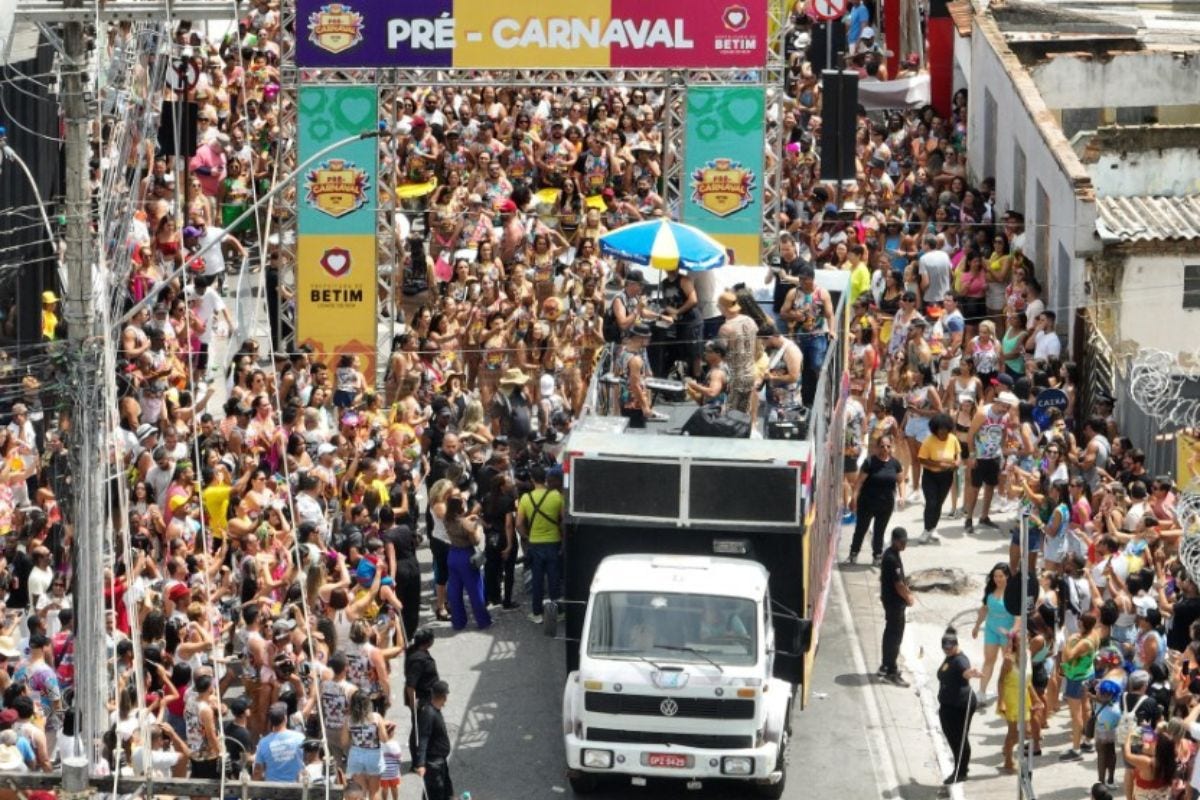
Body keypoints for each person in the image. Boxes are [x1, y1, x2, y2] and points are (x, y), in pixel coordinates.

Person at [517, 464, 563, 624]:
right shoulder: (556, 496)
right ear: (546, 478)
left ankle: (537, 613)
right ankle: (558, 612)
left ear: (532, 479)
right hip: (553, 542)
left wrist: (526, 536)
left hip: (535, 544)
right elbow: (563, 521)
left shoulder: (525, 498)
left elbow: (519, 524)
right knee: (554, 579)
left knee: (537, 580)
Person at [847, 436, 903, 566]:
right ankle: (854, 553)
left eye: (888, 446)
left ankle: (877, 555)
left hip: (886, 504)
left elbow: (901, 481)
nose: (885, 449)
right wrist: (854, 498)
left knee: (880, 531)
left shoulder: (895, 464)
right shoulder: (870, 462)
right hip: (867, 502)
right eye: (882, 446)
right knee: (861, 529)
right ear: (877, 447)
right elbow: (859, 482)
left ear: (891, 447)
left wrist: (902, 496)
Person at [936, 626, 979, 786]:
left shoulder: (960, 660)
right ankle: (960, 768)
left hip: (960, 705)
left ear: (956, 645)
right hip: (948, 705)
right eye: (944, 648)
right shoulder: (950, 656)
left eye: (950, 648)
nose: (947, 651)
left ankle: (961, 772)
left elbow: (965, 672)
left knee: (959, 739)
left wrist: (971, 673)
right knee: (952, 736)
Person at [972, 562, 1015, 705]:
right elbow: (984, 609)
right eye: (995, 576)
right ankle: (981, 692)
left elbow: (1019, 616)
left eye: (1001, 576)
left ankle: (1007, 693)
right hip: (991, 630)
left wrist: (1013, 634)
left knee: (1007, 663)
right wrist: (977, 626)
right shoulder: (990, 590)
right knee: (989, 660)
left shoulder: (1013, 593)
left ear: (1007, 576)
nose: (997, 579)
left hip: (1007, 633)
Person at [917, 413, 961, 544]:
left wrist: (957, 462)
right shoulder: (928, 441)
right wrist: (939, 464)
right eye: (939, 429)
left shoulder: (953, 439)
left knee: (939, 504)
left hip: (946, 476)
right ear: (935, 429)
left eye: (945, 429)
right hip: (930, 476)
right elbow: (921, 459)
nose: (942, 432)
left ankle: (933, 528)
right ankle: (926, 529)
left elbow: (958, 454)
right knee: (931, 503)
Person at [879, 527, 914, 686]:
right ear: (894, 541)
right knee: (895, 637)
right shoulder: (891, 559)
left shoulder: (892, 554)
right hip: (894, 603)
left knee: (890, 633)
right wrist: (908, 597)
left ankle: (886, 665)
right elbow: (898, 585)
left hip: (891, 601)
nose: (904, 545)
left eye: (905, 542)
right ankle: (891, 671)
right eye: (901, 542)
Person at [415, 680, 453, 800]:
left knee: (445, 792)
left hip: (440, 762)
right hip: (433, 764)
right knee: (436, 794)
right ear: (444, 696)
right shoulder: (429, 714)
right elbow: (423, 738)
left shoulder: (434, 710)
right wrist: (421, 764)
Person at [613, 324, 655, 428]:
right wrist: (645, 406)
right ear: (639, 338)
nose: (649, 340)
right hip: (635, 405)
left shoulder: (622, 351)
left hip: (624, 401)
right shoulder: (636, 360)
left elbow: (616, 374)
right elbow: (635, 385)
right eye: (647, 338)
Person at [254, 701, 305, 782]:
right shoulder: (300, 738)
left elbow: (257, 771)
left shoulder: (263, 743)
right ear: (285, 718)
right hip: (296, 786)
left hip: (272, 787)